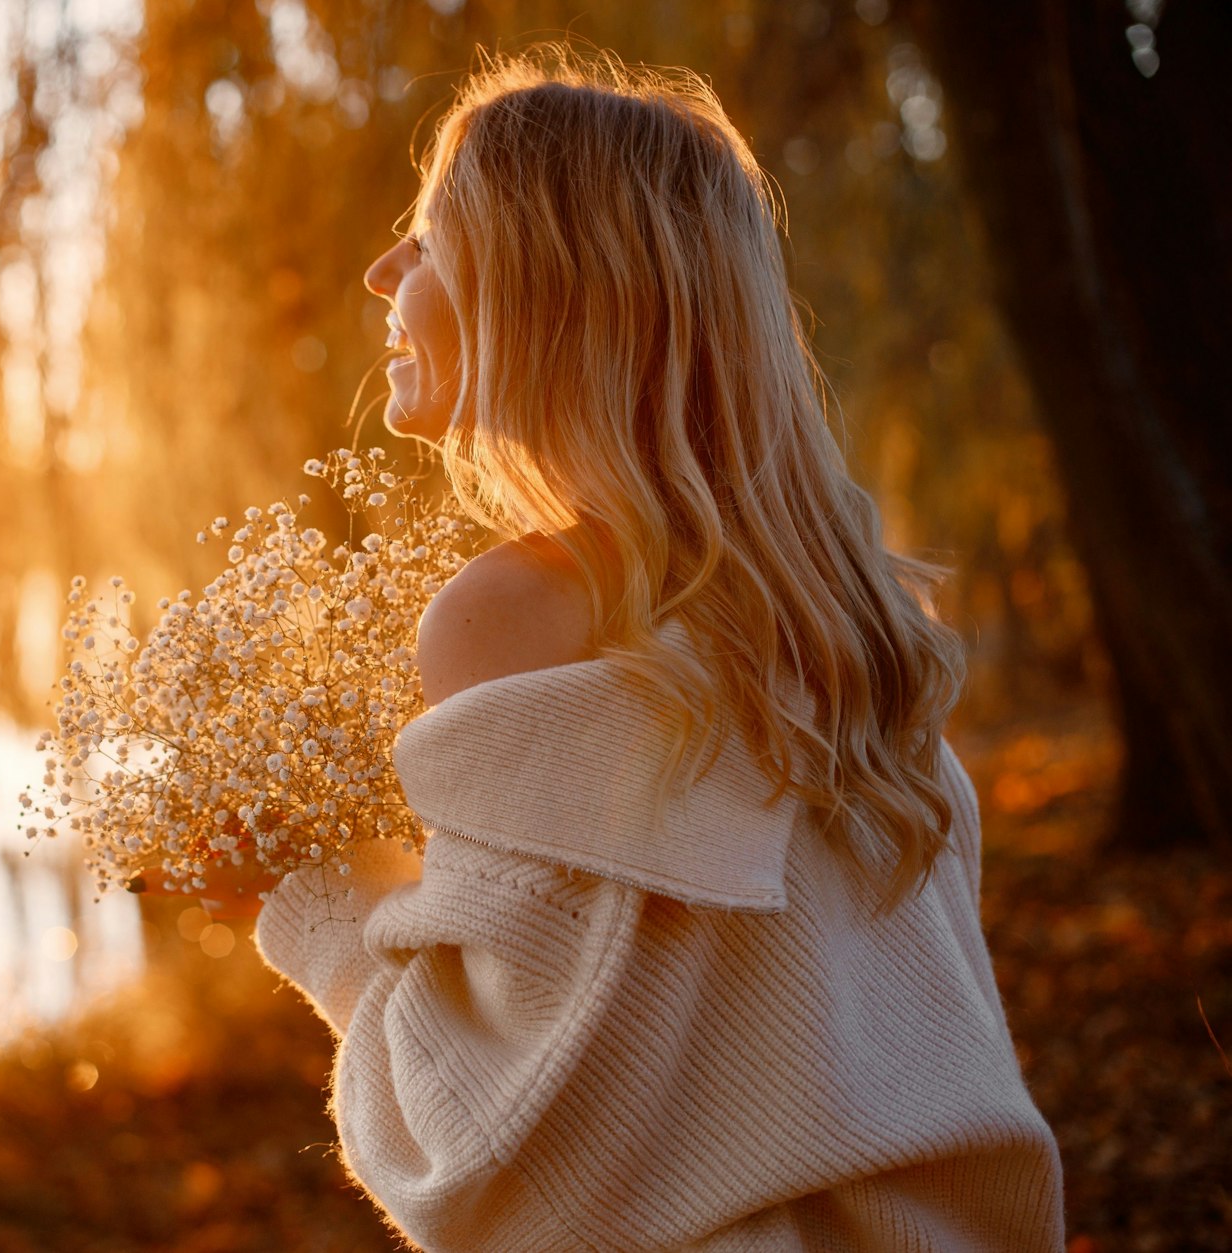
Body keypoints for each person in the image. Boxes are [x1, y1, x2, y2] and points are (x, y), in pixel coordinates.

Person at [199, 44, 1066, 1251]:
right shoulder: (848, 613)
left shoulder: (508, 612)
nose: (379, 271)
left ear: (542, 289)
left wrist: (303, 896)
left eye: (429, 239)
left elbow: (486, 1151)